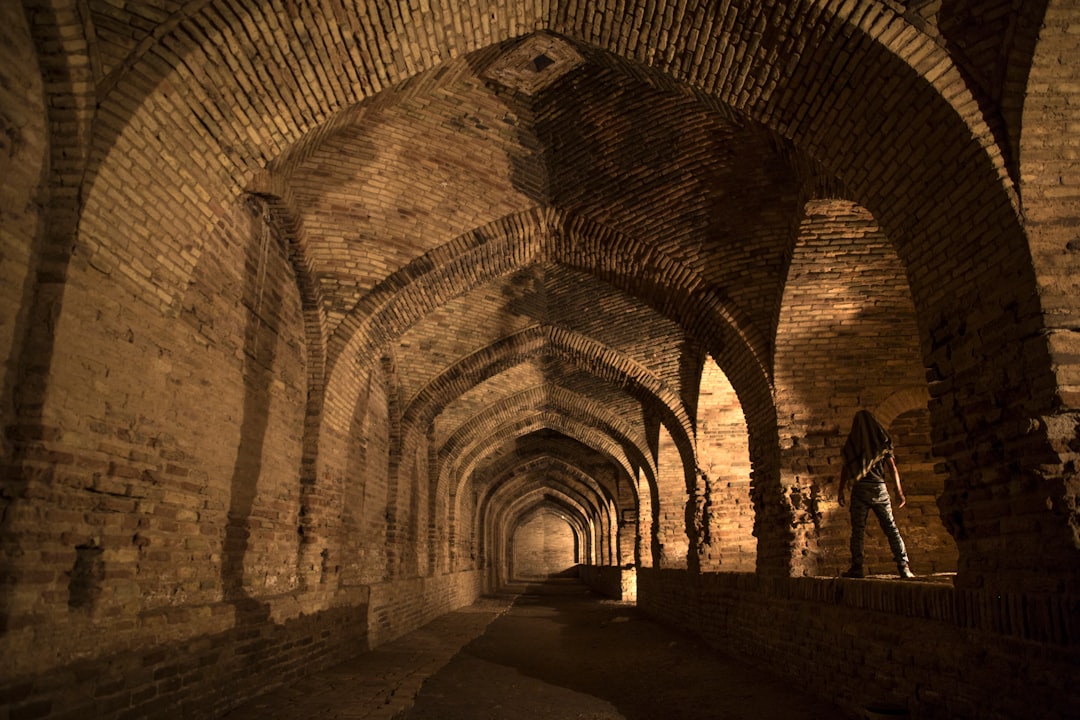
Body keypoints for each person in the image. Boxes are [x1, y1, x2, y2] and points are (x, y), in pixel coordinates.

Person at [837, 409, 914, 579]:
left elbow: (846, 468)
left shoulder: (852, 444)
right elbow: (892, 468)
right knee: (891, 527)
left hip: (860, 489)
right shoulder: (882, 443)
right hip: (880, 489)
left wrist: (841, 489)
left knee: (858, 530)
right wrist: (899, 492)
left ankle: (857, 568)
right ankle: (903, 566)